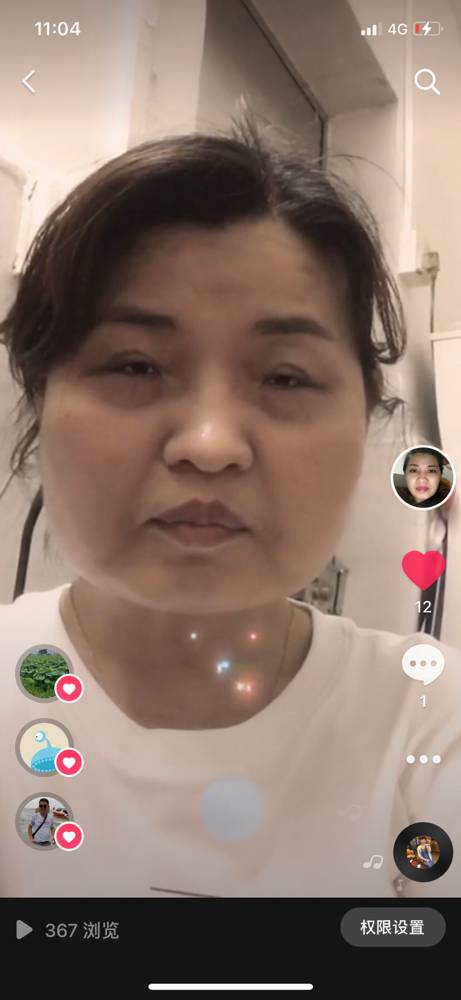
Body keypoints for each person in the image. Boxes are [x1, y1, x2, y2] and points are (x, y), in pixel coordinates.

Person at [1, 113, 461, 899]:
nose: (210, 446)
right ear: (40, 403)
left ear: (364, 419)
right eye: (135, 365)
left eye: (284, 377)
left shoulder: (429, 723)